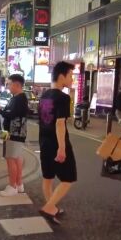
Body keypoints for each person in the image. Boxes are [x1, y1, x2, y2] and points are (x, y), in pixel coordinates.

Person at [38, 61, 77, 225]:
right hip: (57, 142)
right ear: (62, 76)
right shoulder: (63, 97)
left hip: (44, 141)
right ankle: (49, 206)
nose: (72, 79)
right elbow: (60, 123)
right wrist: (62, 148)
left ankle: (51, 207)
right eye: (70, 75)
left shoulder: (44, 95)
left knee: (48, 177)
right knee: (68, 178)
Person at [0, 74, 29, 197]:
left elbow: (11, 115)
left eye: (9, 84)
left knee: (11, 158)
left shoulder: (20, 98)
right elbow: (9, 113)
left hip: (14, 133)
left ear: (17, 85)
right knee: (14, 157)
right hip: (8, 132)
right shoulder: (15, 97)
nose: (8, 86)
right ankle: (19, 184)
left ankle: (13, 186)